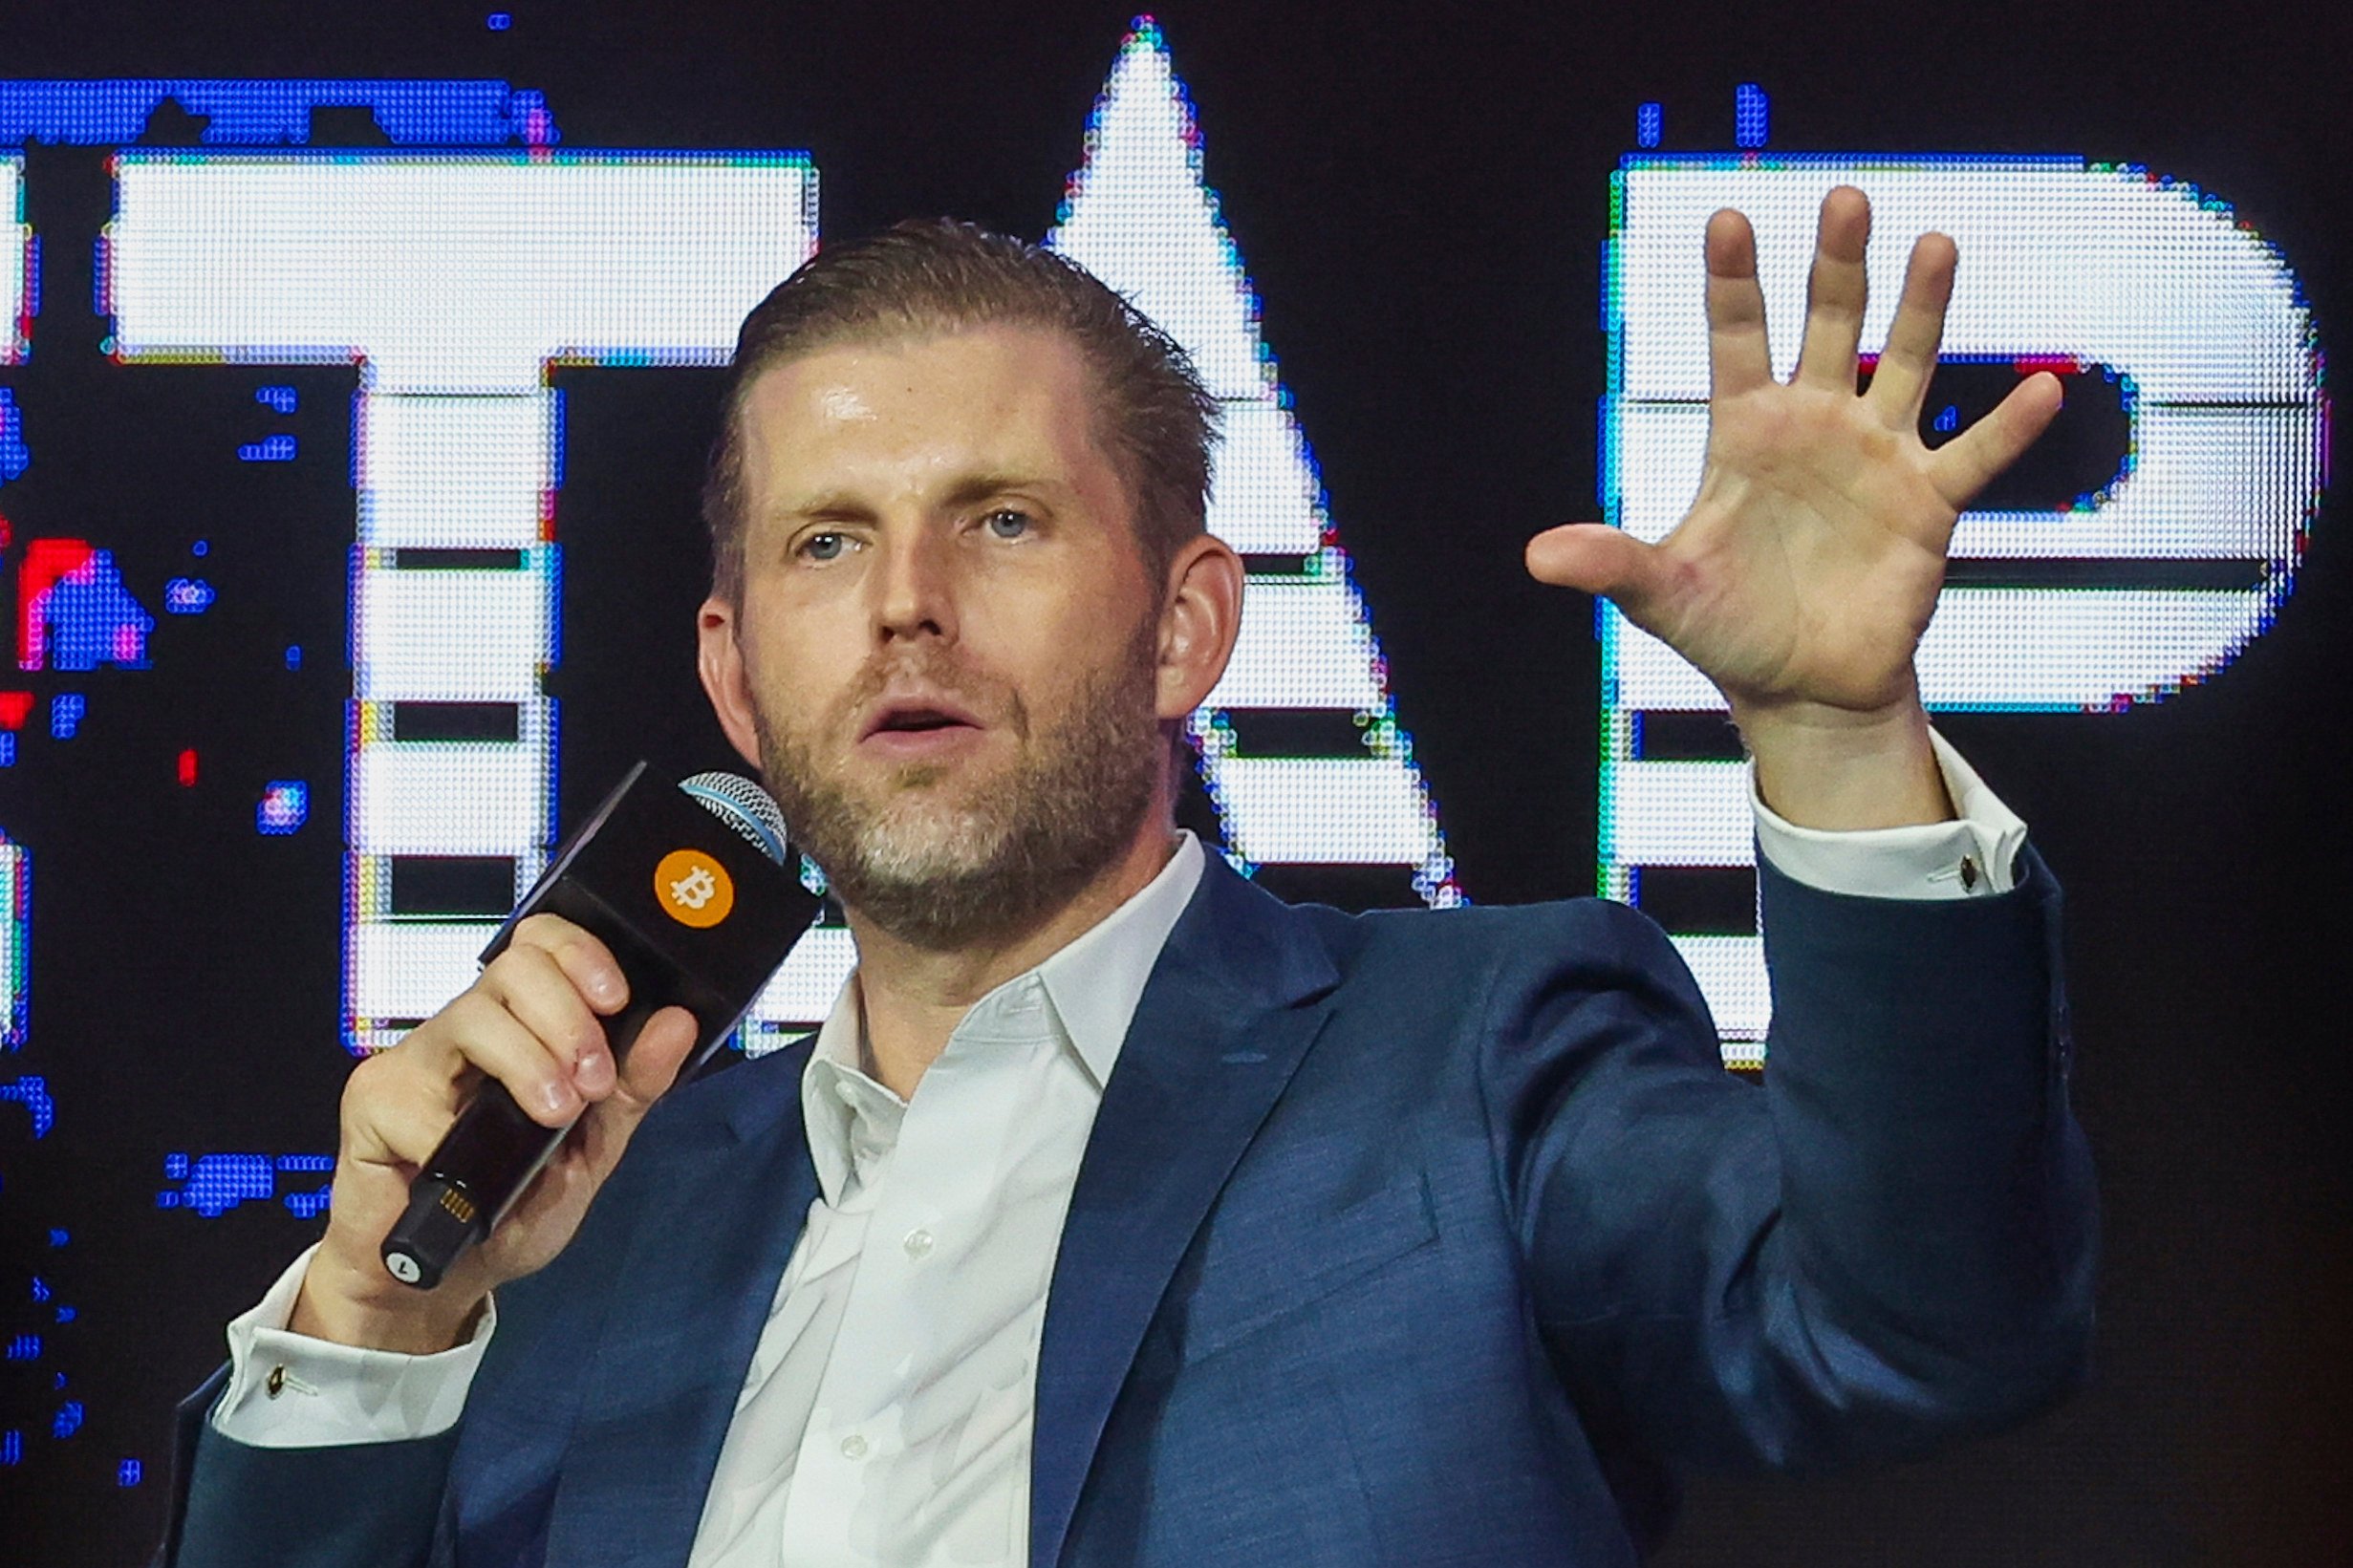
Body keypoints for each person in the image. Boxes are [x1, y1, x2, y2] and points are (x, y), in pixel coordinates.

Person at [158, 190, 2095, 1567]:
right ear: (737, 679)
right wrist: (380, 1321)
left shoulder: (1477, 1060)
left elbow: (1912, 1327)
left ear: (1185, 631)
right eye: (827, 543)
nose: (906, 601)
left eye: (997, 518)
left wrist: (1837, 740)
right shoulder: (583, 1210)